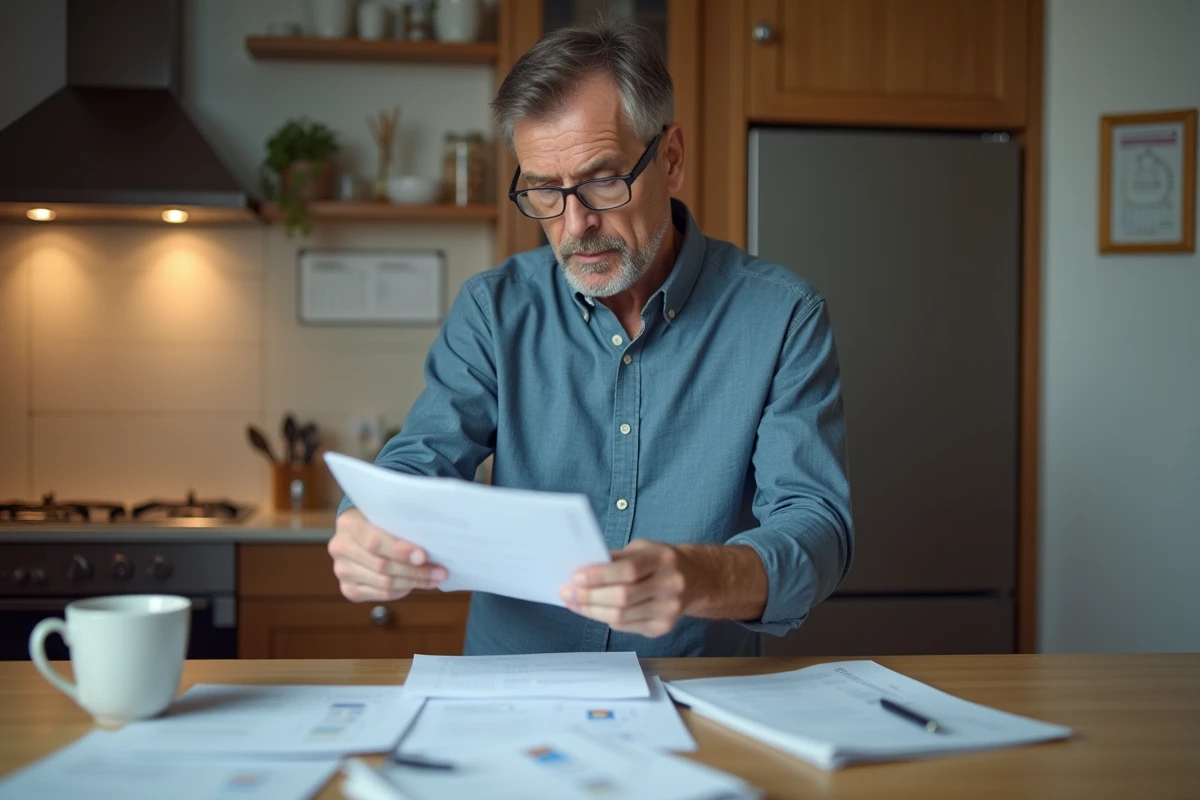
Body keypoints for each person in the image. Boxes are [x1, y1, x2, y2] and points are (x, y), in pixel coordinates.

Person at [327, 18, 853, 657]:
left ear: (672, 159)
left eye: (603, 179)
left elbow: (816, 527)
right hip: (513, 694)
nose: (576, 224)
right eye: (545, 189)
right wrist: (365, 529)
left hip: (695, 697)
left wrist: (701, 576)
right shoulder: (494, 310)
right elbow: (418, 465)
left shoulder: (782, 317)